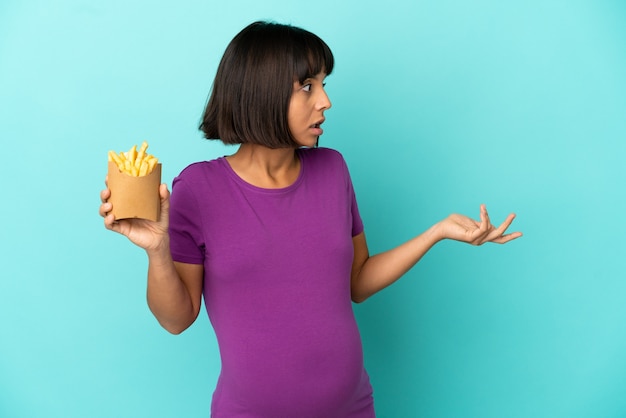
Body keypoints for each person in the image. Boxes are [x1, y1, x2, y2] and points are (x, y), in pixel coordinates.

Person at [99, 21, 522, 418]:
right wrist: (158, 250)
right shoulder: (198, 189)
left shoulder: (333, 169)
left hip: (352, 407)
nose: (325, 100)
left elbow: (357, 281)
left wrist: (437, 233)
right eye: (307, 86)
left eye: (323, 84)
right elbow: (177, 319)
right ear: (261, 93)